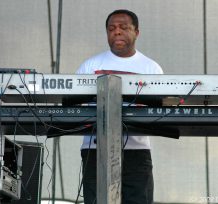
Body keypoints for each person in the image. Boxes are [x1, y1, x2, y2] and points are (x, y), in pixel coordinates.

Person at [76, 9, 163, 204]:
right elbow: (76, 107)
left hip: (136, 151)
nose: (117, 32)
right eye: (111, 28)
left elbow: (158, 110)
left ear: (136, 32)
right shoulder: (90, 66)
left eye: (124, 27)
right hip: (95, 149)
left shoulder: (151, 68)